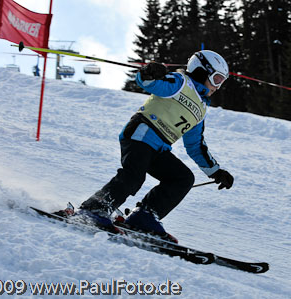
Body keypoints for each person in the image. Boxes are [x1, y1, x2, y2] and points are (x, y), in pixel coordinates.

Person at [73, 50, 234, 238]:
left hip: (159, 149)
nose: (218, 86)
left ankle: (144, 216)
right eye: (216, 79)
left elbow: (196, 146)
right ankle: (94, 209)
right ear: (200, 71)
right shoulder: (180, 83)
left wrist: (215, 171)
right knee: (134, 176)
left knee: (182, 178)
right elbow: (149, 83)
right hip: (141, 134)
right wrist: (150, 72)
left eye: (222, 81)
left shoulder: (201, 109)